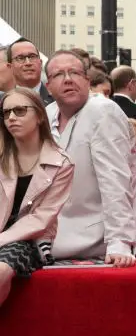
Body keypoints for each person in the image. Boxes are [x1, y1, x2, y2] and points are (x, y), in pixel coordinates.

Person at [45, 51, 136, 266]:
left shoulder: (104, 111)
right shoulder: (47, 114)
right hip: (52, 232)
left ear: (87, 81)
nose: (68, 79)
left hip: (99, 236)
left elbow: (116, 180)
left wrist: (119, 241)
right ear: (48, 87)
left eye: (74, 72)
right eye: (58, 75)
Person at [0, 87, 74, 306]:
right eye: (6, 113)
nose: (11, 117)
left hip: (29, 239)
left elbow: (42, 218)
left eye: (20, 110)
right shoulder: (2, 154)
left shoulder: (62, 163)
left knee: (2, 270)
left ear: (40, 116)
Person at [8, 39, 52, 104]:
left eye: (32, 56)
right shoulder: (3, 102)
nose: (28, 63)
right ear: (10, 67)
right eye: (20, 58)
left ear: (40, 63)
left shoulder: (58, 100)